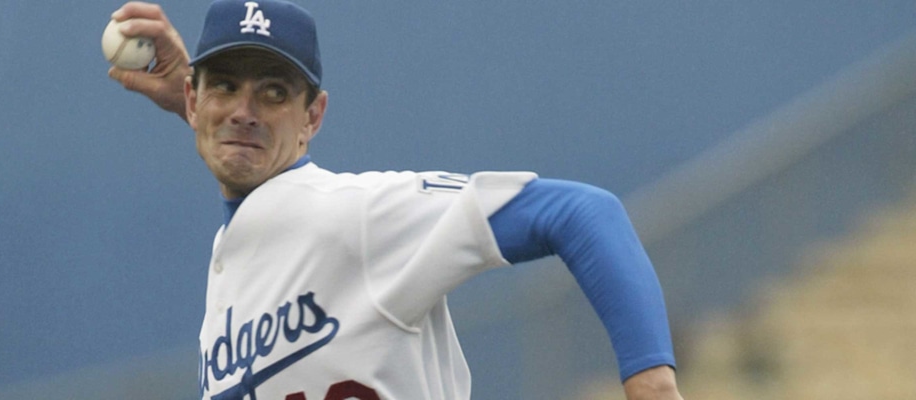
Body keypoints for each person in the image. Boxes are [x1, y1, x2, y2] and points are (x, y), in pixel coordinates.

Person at [109, 1, 684, 398]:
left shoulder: (354, 214)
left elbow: (582, 213)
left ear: (313, 117)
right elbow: (243, 162)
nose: (244, 110)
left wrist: (652, 384)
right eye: (225, 86)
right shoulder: (237, 247)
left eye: (274, 93)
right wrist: (207, 116)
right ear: (193, 98)